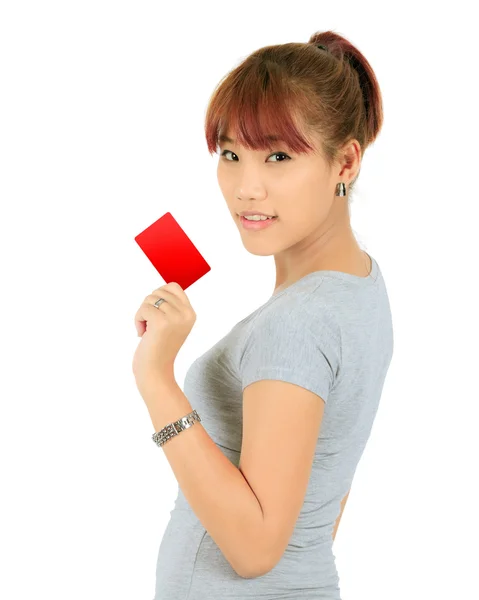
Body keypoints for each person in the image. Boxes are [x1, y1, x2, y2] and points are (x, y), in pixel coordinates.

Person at [153, 29, 394, 600]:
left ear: (346, 160)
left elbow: (255, 550)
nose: (247, 188)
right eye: (231, 155)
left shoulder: (299, 322)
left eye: (279, 157)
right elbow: (327, 490)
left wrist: (157, 377)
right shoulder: (361, 284)